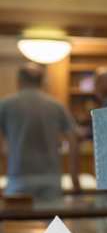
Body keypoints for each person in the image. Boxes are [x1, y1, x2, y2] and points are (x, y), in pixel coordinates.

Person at [0, 63, 80, 200]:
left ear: (19, 81)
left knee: (17, 221)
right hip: (51, 178)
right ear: (42, 82)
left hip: (19, 176)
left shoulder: (6, 104)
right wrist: (74, 178)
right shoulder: (56, 105)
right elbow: (73, 139)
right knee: (51, 220)